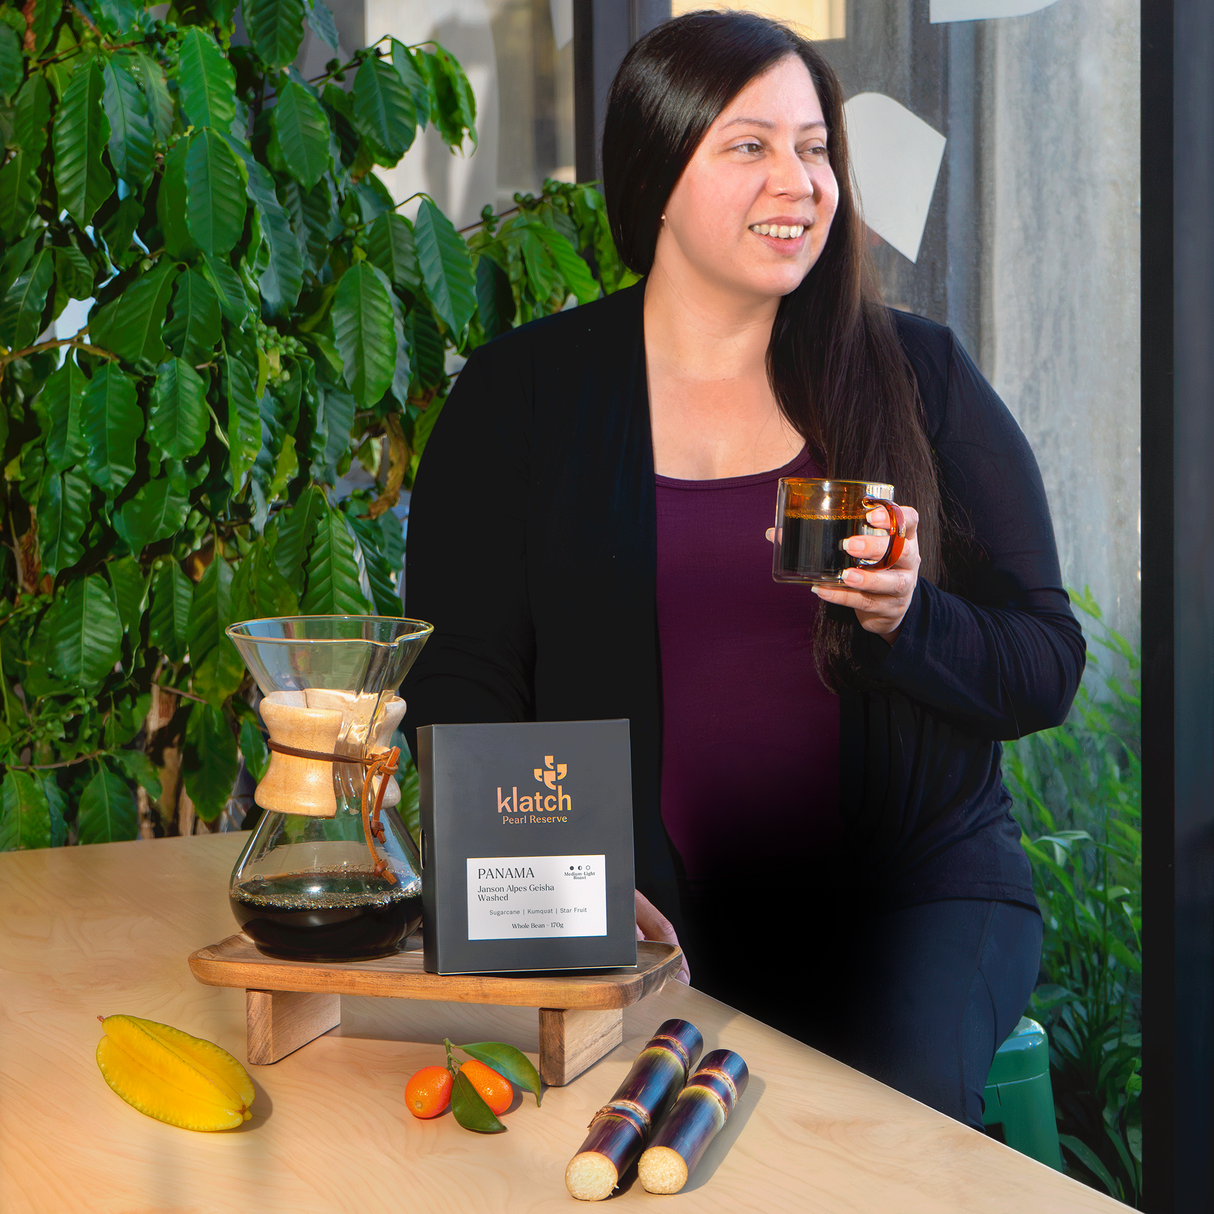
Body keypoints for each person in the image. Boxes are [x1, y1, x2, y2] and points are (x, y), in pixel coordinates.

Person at [402, 10, 1085, 1131]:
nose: (798, 181)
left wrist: (908, 617)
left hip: (909, 893)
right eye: (750, 145)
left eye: (814, 148)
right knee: (597, 1145)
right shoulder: (521, 397)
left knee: (879, 1132)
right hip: (642, 904)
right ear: (656, 176)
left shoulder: (917, 374)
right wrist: (560, 869)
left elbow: (1045, 663)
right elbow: (462, 674)